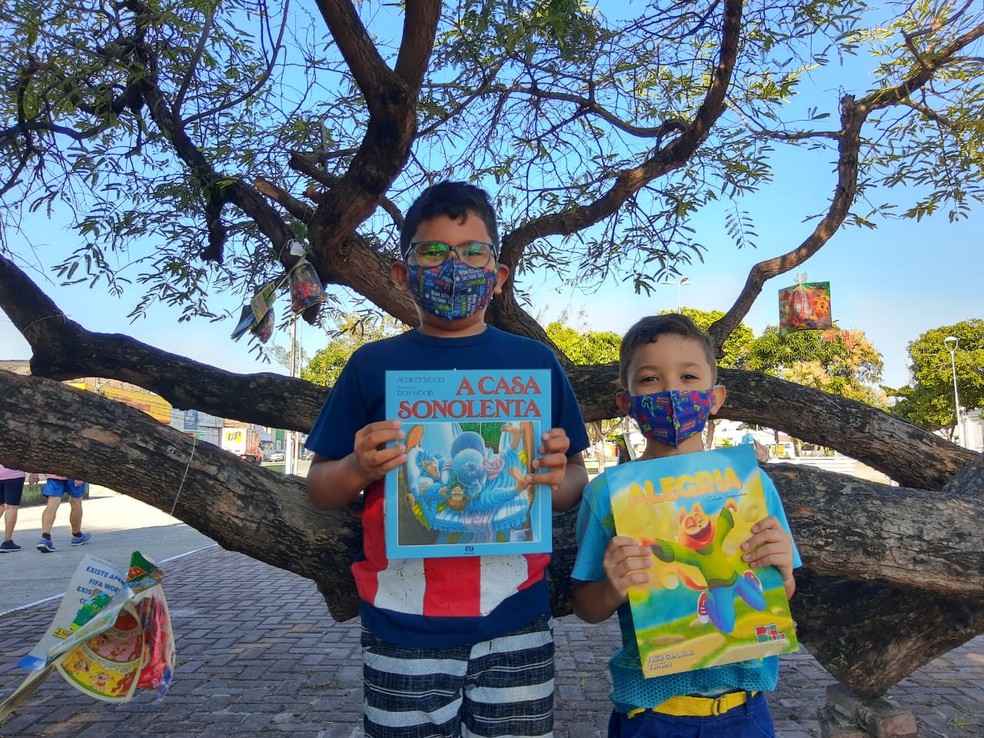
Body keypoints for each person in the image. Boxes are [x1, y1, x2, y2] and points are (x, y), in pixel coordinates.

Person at [305, 180, 590, 738]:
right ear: (402, 272)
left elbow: (573, 478)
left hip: (516, 615)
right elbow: (319, 487)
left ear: (499, 273)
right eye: (432, 252)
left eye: (473, 252)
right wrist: (358, 469)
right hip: (402, 619)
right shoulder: (370, 366)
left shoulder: (535, 362)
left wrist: (557, 476)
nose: (453, 266)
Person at [571, 313, 800, 738]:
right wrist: (612, 587)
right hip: (651, 714)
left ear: (715, 398)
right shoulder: (607, 494)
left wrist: (783, 571)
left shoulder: (750, 485)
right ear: (626, 402)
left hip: (744, 710)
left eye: (689, 376)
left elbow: (782, 593)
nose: (673, 392)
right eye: (650, 380)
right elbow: (586, 605)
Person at [36, 475, 91, 553]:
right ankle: (77, 535)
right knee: (76, 502)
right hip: (74, 473)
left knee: (52, 503)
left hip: (55, 472)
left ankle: (45, 538)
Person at [1, 465, 37, 552]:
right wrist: (34, 474)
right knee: (11, 507)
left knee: (1, 506)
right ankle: (7, 542)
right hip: (14, 474)